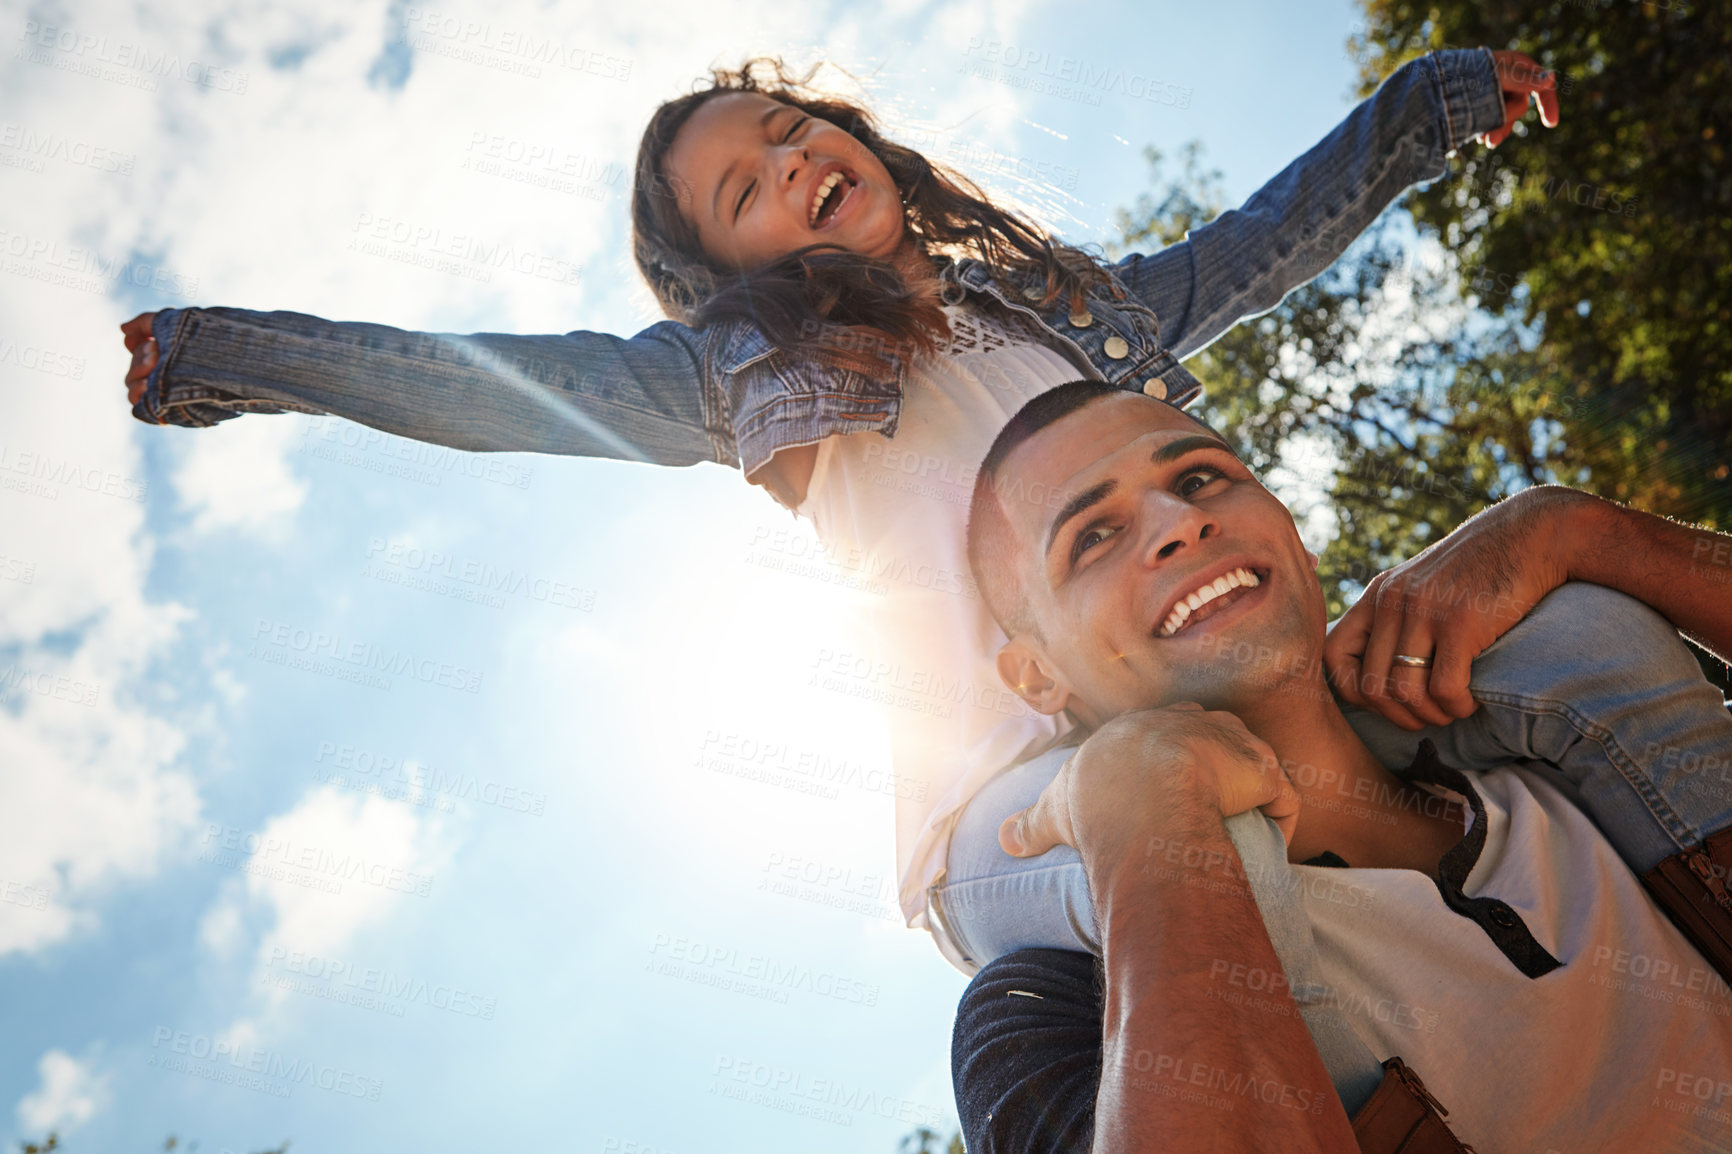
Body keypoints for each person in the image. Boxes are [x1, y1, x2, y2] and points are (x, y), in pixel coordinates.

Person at [115, 47, 1594, 977]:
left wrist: (1434, 103)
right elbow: (492, 382)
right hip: (1013, 811)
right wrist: (230, 358)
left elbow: (1264, 238)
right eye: (746, 188)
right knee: (1186, 812)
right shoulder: (747, 374)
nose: (793, 162)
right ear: (730, 274)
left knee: (1570, 627)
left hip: (1240, 723)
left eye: (790, 129)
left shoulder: (1071, 307)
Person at [947, 380, 1732, 1151]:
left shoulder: (1585, 762)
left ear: (1295, 536)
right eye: (1092, 535)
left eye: (1199, 479)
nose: (1181, 523)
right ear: (1039, 677)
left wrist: (1583, 530)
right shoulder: (1045, 1014)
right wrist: (1149, 811)